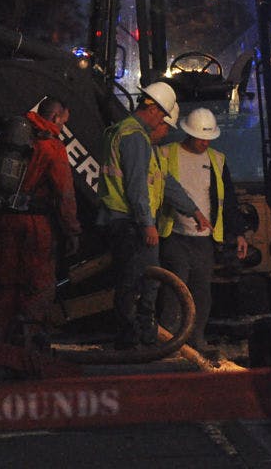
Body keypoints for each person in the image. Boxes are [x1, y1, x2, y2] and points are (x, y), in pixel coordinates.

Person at [97, 82, 209, 349]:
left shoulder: (136, 138)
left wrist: (193, 210)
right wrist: (148, 224)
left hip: (124, 219)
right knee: (139, 282)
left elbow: (165, 182)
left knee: (140, 281)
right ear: (152, 109)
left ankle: (140, 337)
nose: (163, 122)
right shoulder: (134, 137)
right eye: (162, 116)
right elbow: (137, 186)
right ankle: (133, 340)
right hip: (130, 221)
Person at [0, 96, 81, 349]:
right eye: (63, 123)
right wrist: (72, 231)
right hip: (35, 226)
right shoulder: (52, 147)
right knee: (37, 285)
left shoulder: (9, 139)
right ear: (55, 117)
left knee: (6, 284)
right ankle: (28, 344)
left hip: (4, 221)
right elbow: (65, 194)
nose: (62, 129)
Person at [157, 108, 248, 355]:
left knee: (201, 291)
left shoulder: (217, 159)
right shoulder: (166, 154)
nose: (205, 143)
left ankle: (194, 341)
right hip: (174, 234)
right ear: (188, 133)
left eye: (208, 138)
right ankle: (168, 342)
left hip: (204, 241)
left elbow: (227, 200)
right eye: (200, 138)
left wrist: (238, 232)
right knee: (175, 289)